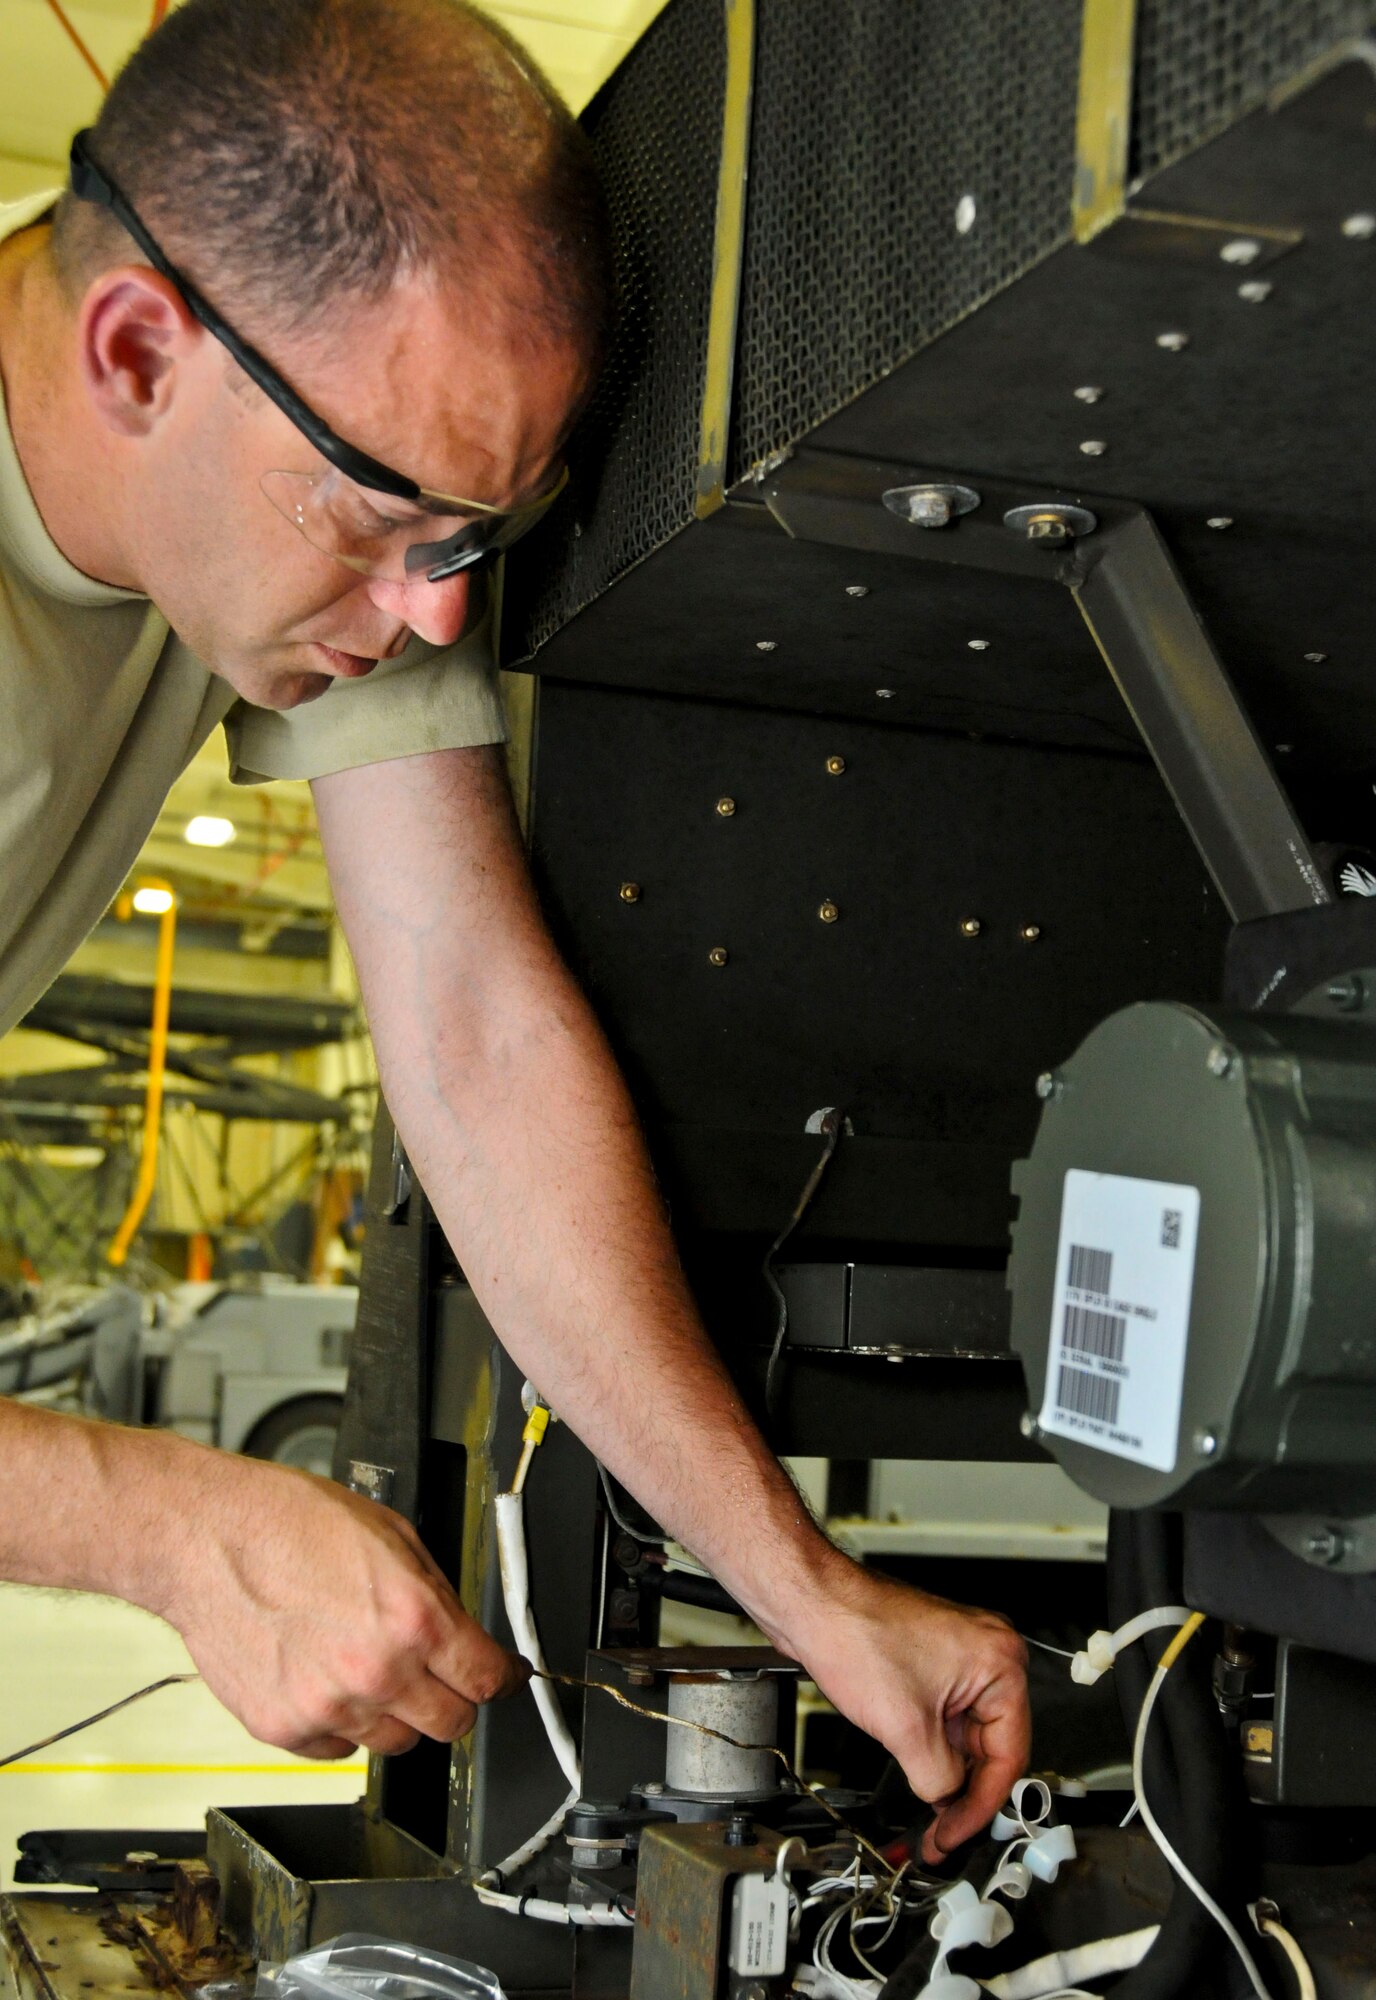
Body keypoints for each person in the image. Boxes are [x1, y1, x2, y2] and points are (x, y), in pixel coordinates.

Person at [0, 0, 1028, 1862]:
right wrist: (166, 1525)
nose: (434, 618)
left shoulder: (278, 530)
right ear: (138, 348)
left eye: (475, 540)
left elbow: (472, 1034)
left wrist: (805, 1588)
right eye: (391, 518)